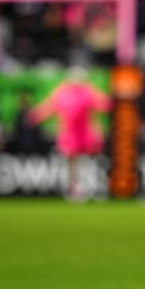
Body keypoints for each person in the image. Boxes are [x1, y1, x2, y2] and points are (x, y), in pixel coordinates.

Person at [30, 69, 111, 200]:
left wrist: (34, 116)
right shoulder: (75, 93)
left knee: (85, 161)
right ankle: (79, 189)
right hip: (74, 135)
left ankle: (94, 186)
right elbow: (105, 105)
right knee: (75, 163)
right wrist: (35, 116)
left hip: (83, 134)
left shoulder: (79, 92)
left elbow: (105, 105)